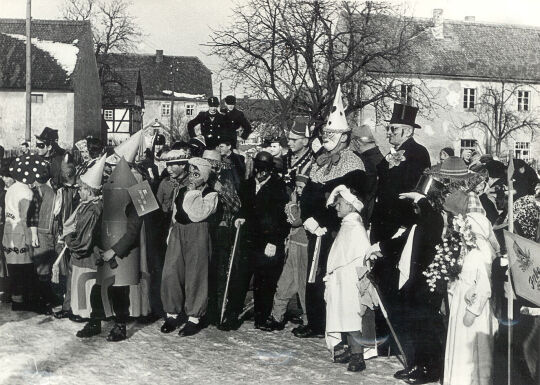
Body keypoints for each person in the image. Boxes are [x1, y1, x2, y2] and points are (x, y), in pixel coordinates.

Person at [296, 85, 367, 339]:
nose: (327, 138)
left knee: (331, 276)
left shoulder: (353, 163)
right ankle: (314, 321)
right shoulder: (320, 164)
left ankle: (330, 323)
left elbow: (345, 200)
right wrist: (307, 219)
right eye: (326, 133)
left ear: (345, 138)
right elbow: (308, 194)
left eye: (333, 133)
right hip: (316, 229)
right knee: (312, 274)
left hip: (337, 231)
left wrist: (323, 220)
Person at [219, 151, 289, 330]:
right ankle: (232, 315)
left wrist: (274, 241)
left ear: (270, 170)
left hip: (267, 242)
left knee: (264, 280)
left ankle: (262, 316)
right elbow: (244, 207)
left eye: (265, 169)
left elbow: (282, 218)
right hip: (248, 239)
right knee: (240, 278)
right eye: (258, 168)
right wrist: (239, 217)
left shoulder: (278, 187)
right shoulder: (248, 184)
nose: (261, 172)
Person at [442, 190, 499, 385]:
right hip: (462, 305)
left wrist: (472, 312)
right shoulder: (469, 252)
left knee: (471, 351)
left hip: (473, 314)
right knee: (461, 348)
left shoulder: (479, 253)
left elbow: (483, 287)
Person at [160, 158, 218, 336]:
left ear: (205, 176)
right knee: (171, 272)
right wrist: (172, 229)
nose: (192, 176)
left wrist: (192, 192)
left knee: (196, 274)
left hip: (198, 232)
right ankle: (172, 314)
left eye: (197, 173)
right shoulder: (181, 190)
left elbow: (196, 214)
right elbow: (176, 212)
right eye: (191, 172)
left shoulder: (211, 194)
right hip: (179, 231)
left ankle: (194, 317)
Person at [324, 185, 374, 372]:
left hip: (351, 279)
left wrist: (362, 282)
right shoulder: (347, 224)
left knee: (352, 315)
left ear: (351, 206)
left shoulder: (355, 227)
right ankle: (349, 349)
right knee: (341, 313)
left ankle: (357, 355)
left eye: (340, 203)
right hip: (341, 279)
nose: (336, 207)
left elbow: (363, 256)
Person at [260, 174, 310, 331]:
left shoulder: (308, 203)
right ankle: (277, 317)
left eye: (302, 188)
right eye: (297, 187)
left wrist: (293, 203)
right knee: (284, 283)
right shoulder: (298, 201)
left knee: (302, 285)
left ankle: (308, 321)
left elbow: (295, 220)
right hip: (293, 244)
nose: (299, 191)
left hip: (304, 247)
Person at [64, 155, 106, 322]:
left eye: (81, 188)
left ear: (89, 190)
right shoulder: (87, 206)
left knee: (84, 281)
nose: (79, 191)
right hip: (83, 253)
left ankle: (84, 312)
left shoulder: (92, 209)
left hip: (87, 255)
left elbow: (85, 239)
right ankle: (80, 310)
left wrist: (69, 240)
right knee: (80, 281)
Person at [3, 155, 46, 311]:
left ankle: (16, 299)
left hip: (9, 233)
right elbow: (24, 218)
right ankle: (25, 301)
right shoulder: (26, 192)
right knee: (24, 269)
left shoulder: (12, 188)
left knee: (14, 269)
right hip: (20, 234)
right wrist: (30, 238)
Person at [30, 165, 58, 314]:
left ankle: (45, 298)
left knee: (43, 267)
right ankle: (43, 301)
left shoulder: (40, 191)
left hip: (43, 232)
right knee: (43, 269)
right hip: (44, 232)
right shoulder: (46, 191)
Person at [284, 117, 313, 190]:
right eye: (289, 139)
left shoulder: (314, 161)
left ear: (305, 141)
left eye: (294, 140)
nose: (289, 143)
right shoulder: (284, 158)